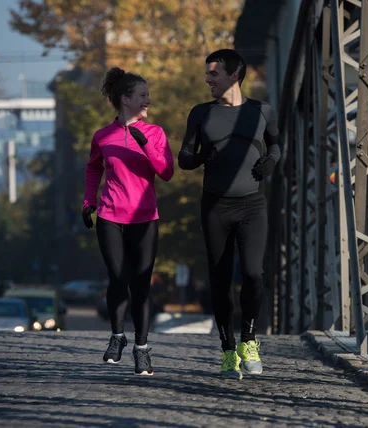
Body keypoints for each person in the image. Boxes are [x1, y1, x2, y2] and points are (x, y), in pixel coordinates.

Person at [178, 49, 281, 380]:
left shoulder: (261, 111)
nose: (207, 79)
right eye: (207, 73)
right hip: (215, 206)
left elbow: (277, 144)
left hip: (253, 204)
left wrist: (271, 162)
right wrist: (200, 156)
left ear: (234, 75)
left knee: (253, 273)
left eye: (213, 73)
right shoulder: (201, 113)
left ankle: (249, 341)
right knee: (220, 281)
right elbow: (184, 157)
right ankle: (227, 350)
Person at [82, 67, 174, 376]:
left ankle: (142, 349)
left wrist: (143, 142)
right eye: (143, 95)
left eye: (147, 94)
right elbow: (94, 168)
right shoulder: (103, 136)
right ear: (126, 99)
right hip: (110, 214)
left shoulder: (155, 133)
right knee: (117, 276)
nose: (148, 100)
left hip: (145, 217)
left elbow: (166, 172)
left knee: (141, 284)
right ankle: (117, 337)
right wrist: (89, 201)